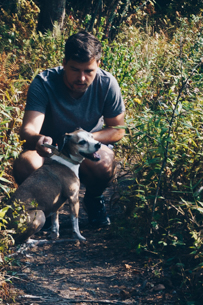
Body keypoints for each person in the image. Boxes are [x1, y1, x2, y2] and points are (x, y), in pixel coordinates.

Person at [12, 30, 126, 229]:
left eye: (88, 71)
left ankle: (93, 199)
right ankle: (43, 208)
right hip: (52, 151)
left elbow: (117, 129)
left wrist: (83, 139)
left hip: (85, 150)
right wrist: (38, 140)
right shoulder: (44, 82)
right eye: (75, 69)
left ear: (98, 65)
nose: (81, 78)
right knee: (26, 163)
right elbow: (28, 129)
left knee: (105, 163)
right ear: (64, 63)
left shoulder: (107, 84)